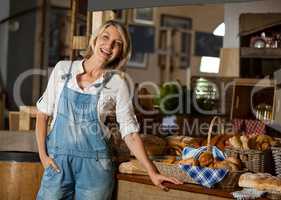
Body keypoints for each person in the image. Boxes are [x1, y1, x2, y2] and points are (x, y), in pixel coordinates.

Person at [35, 20, 182, 200]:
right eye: (105, 37)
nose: (109, 45)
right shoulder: (63, 69)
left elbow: (130, 133)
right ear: (95, 40)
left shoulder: (117, 84)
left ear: (121, 51)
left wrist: (152, 172)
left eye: (117, 43)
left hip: (96, 168)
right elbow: (42, 115)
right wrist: (43, 156)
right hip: (58, 163)